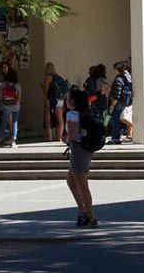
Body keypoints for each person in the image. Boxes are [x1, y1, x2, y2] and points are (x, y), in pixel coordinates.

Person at [64, 88, 97, 228]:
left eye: (68, 98)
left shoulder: (72, 114)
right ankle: (82, 212)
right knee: (71, 180)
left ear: (72, 101)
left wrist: (65, 139)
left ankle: (90, 217)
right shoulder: (86, 112)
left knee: (82, 185)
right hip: (86, 149)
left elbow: (71, 134)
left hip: (77, 150)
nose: (66, 100)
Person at [108, 61, 133, 144]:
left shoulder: (118, 79)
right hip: (126, 101)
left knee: (115, 119)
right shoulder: (128, 78)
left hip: (118, 102)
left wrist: (112, 105)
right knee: (119, 119)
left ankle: (115, 138)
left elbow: (116, 94)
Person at [0, 63, 22, 148]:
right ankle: (13, 141)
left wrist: (3, 102)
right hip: (15, 106)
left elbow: (0, 95)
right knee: (14, 122)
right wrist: (18, 103)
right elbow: (19, 97)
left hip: (6, 105)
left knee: (3, 122)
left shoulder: (4, 84)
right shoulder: (17, 85)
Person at [43, 62, 68, 142]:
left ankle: (49, 137)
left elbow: (46, 90)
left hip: (51, 99)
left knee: (48, 119)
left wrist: (45, 97)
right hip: (60, 100)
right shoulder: (59, 78)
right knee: (60, 119)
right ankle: (59, 137)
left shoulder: (48, 77)